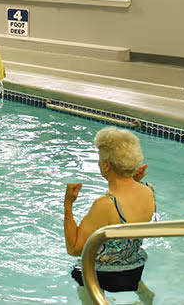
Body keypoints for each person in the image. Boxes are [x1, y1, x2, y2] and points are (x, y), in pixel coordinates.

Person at [64, 126, 155, 303]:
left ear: (106, 165)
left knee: (78, 272)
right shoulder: (149, 191)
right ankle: (144, 294)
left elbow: (74, 249)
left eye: (100, 158)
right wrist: (135, 180)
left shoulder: (106, 204)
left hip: (102, 275)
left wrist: (68, 204)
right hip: (135, 269)